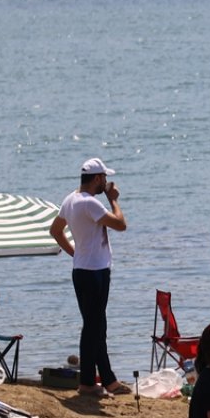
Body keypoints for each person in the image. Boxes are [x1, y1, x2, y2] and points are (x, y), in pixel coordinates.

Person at [49, 157, 131, 397]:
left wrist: (75, 253)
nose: (106, 182)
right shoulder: (90, 203)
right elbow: (120, 224)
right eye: (104, 178)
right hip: (94, 272)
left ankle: (108, 379)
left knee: (97, 325)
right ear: (97, 179)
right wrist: (113, 199)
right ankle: (87, 381)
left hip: (84, 269)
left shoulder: (71, 199)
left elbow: (55, 231)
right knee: (93, 327)